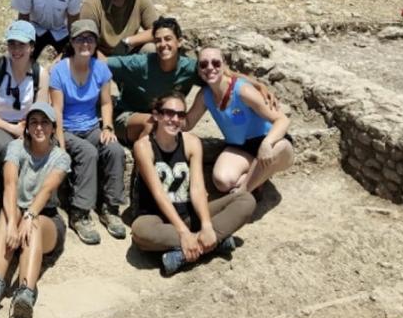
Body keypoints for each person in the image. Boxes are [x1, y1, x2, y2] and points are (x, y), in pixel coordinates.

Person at [131, 92, 255, 276]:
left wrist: (205, 225)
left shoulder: (191, 143)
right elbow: (159, 193)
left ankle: (185, 252)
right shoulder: (143, 146)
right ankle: (214, 243)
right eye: (169, 113)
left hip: (189, 214)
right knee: (140, 232)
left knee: (246, 200)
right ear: (156, 115)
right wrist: (183, 232)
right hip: (156, 218)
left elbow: (197, 188)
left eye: (180, 115)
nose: (175, 119)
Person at [0, 102, 69, 318]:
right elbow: (10, 184)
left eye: (45, 122)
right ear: (26, 127)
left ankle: (26, 291)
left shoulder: (61, 157)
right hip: (18, 212)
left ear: (53, 127)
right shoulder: (16, 148)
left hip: (46, 218)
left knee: (32, 226)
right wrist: (14, 223)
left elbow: (46, 191)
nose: (39, 128)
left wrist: (29, 216)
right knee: (6, 215)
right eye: (34, 122)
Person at [49, 19, 127, 244]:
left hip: (92, 125)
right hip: (67, 129)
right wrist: (61, 144)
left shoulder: (101, 69)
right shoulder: (59, 71)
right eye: (80, 38)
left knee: (115, 150)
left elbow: (105, 103)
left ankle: (110, 208)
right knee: (87, 152)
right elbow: (57, 111)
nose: (86, 43)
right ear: (72, 42)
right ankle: (79, 211)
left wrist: (108, 127)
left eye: (90, 38)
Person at [185, 45, 295, 195]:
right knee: (222, 181)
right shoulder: (205, 95)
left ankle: (241, 193)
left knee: (278, 148)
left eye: (216, 63)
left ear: (224, 65)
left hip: (271, 142)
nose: (210, 68)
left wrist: (267, 143)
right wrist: (164, 117)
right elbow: (188, 123)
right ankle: (257, 179)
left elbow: (282, 119)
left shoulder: (242, 90)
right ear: (199, 70)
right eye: (204, 65)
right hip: (240, 147)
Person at [106, 16, 198, 145]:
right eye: (158, 41)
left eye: (168, 39)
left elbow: (217, 77)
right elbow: (103, 64)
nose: (163, 44)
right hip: (128, 117)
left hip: (162, 120)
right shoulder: (141, 64)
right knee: (155, 124)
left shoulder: (190, 68)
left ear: (179, 42)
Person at [0, 20, 47, 166]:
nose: (16, 50)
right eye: (12, 44)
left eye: (21, 45)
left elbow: (40, 111)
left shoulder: (40, 74)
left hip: (26, 126)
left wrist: (26, 129)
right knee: (9, 149)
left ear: (32, 47)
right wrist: (13, 129)